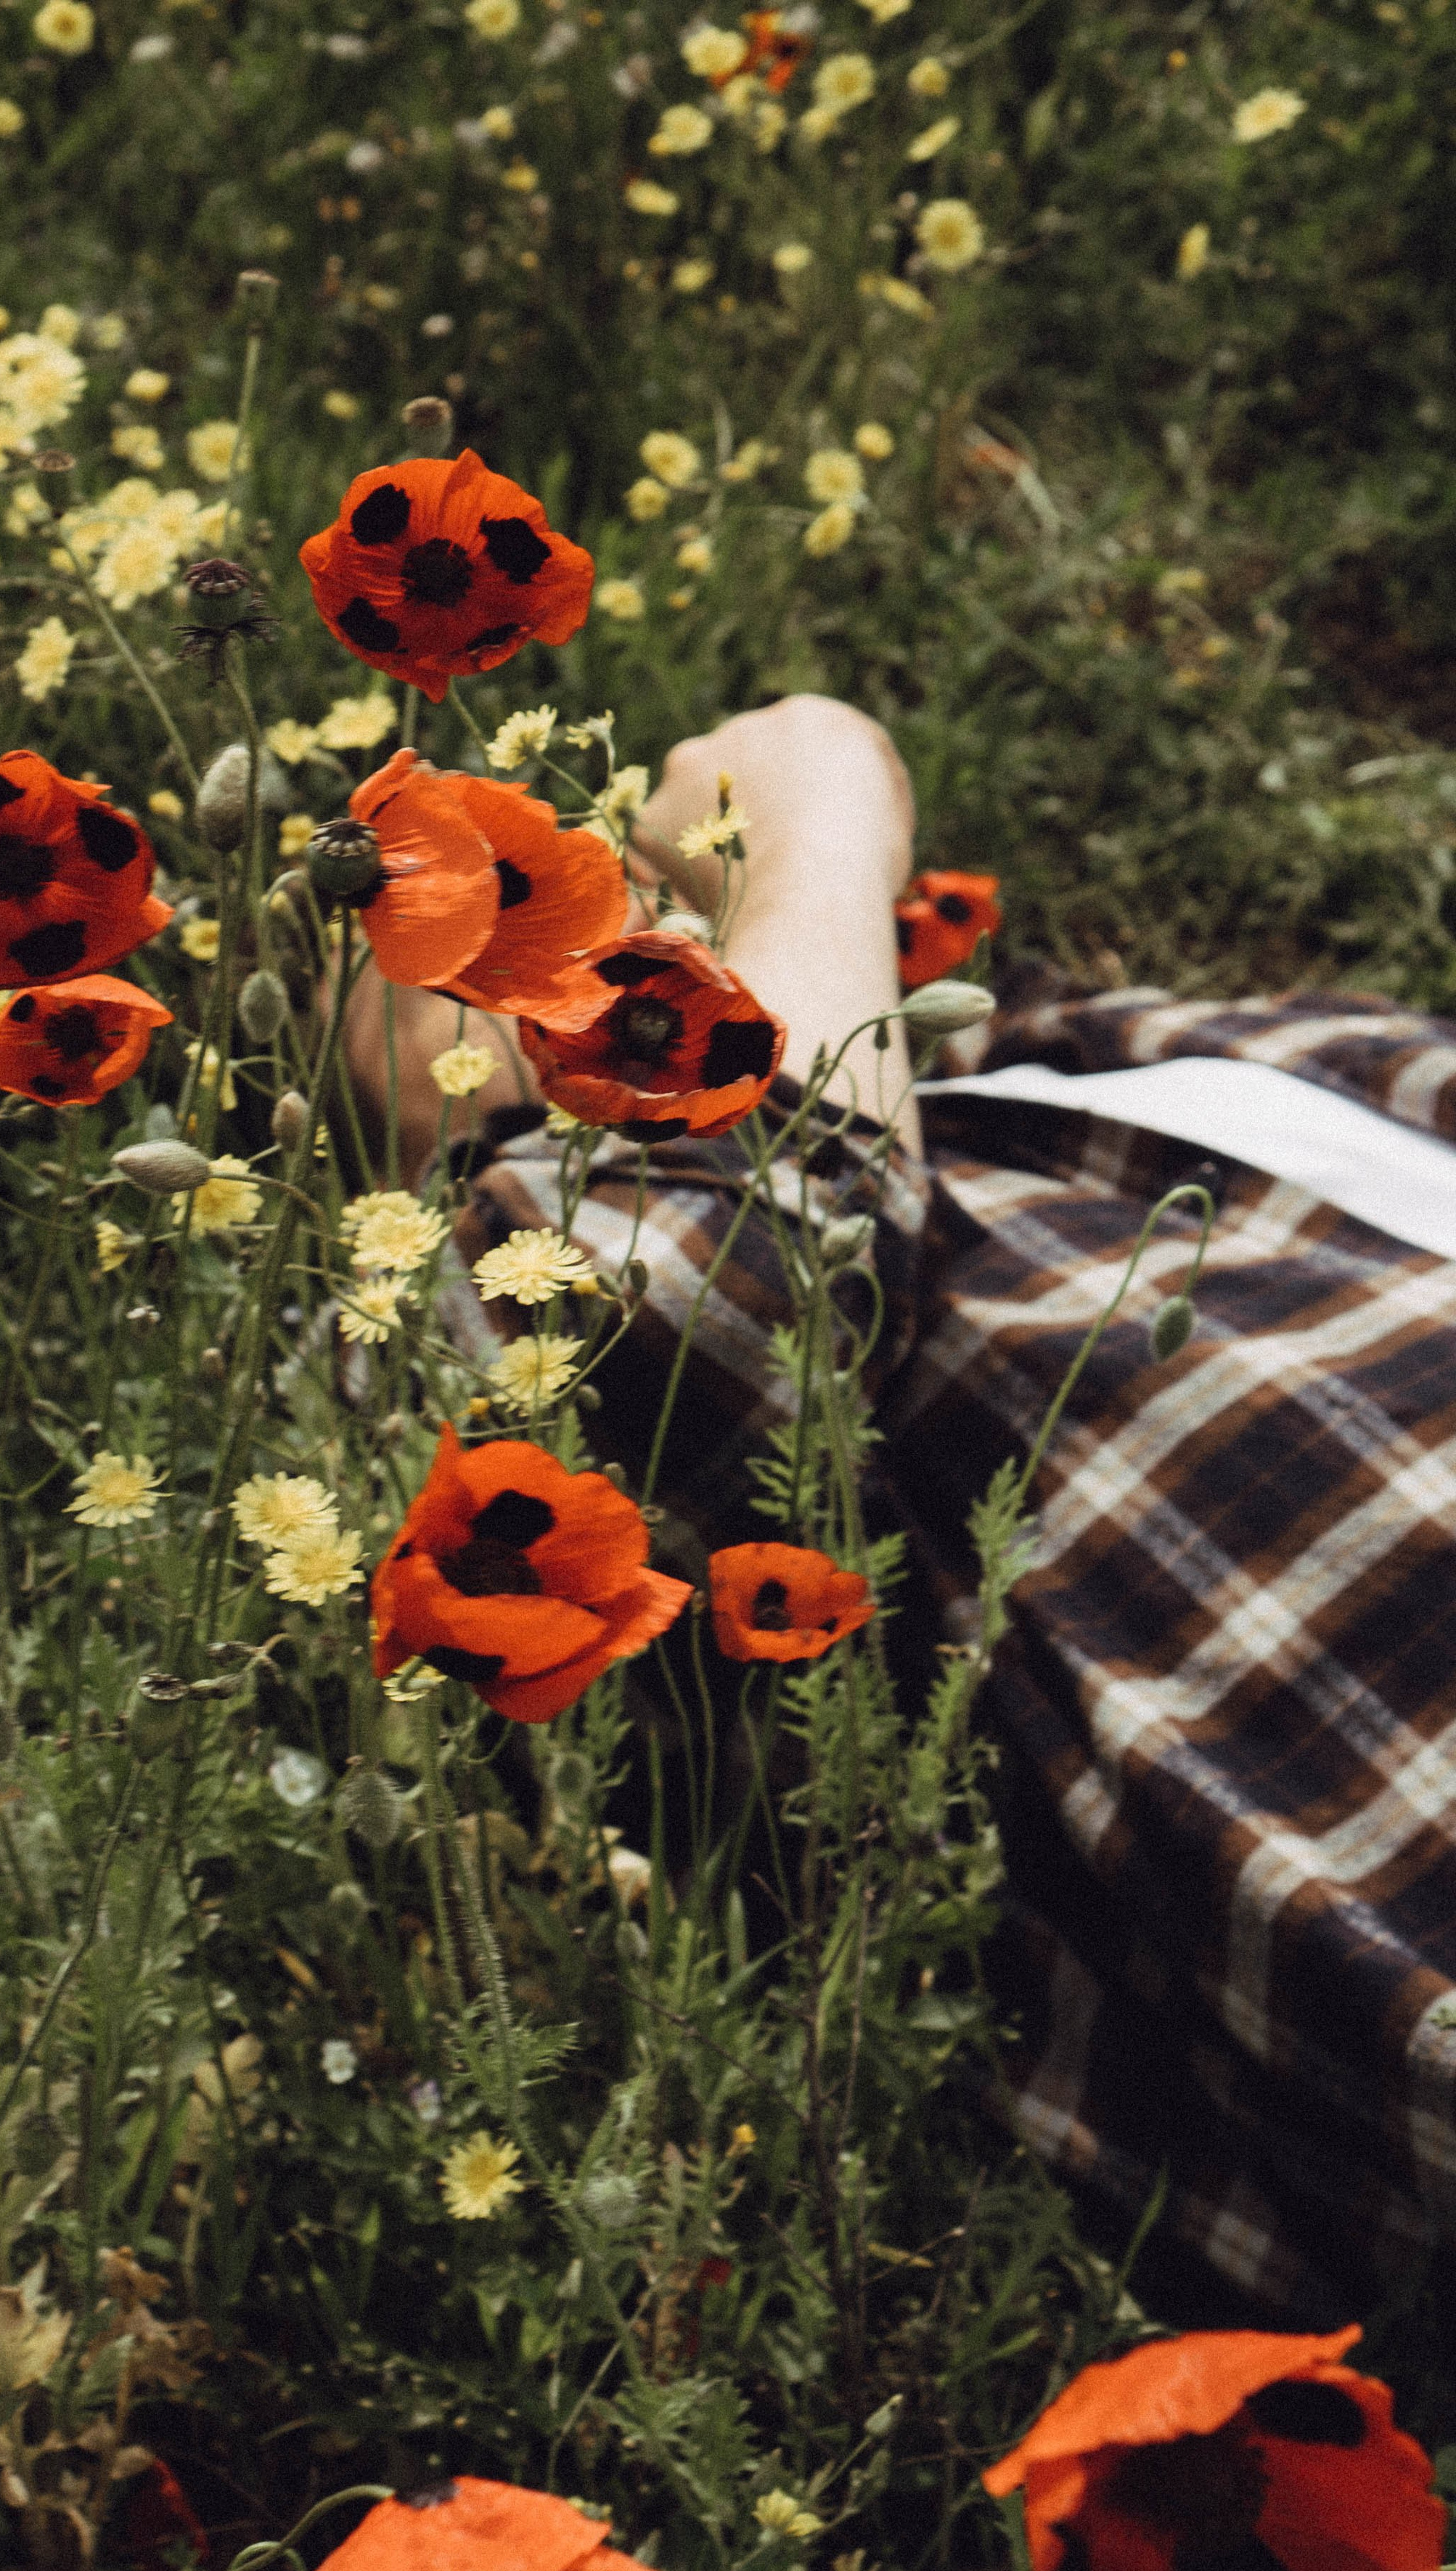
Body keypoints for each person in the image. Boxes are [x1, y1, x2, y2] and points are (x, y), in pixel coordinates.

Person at [344, 694, 1456, 2331]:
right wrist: (821, 797)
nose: (552, 921)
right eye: (433, 946)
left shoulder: (1147, 1062)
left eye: (540, 866)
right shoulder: (491, 1309)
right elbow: (729, 1274)